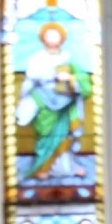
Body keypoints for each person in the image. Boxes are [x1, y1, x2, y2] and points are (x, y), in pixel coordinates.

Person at [15, 22, 92, 181]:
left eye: (55, 34)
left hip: (65, 101)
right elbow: (30, 81)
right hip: (43, 101)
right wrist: (22, 97)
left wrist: (70, 78)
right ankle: (43, 168)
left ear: (62, 38)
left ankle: (69, 168)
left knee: (66, 135)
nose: (52, 38)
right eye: (48, 35)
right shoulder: (37, 59)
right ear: (42, 38)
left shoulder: (68, 58)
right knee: (47, 135)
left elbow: (83, 81)